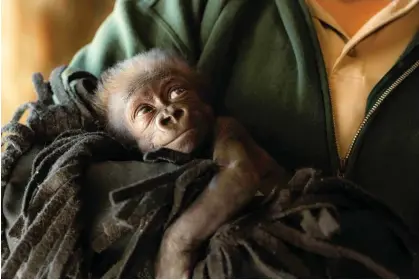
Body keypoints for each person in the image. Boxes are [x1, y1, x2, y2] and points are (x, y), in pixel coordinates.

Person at [11, 0, 419, 277]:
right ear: (120, 136)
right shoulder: (185, 9)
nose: (170, 114)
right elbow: (31, 177)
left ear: (205, 99)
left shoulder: (225, 131)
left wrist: (177, 244)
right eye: (146, 112)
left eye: (176, 95)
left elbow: (240, 176)